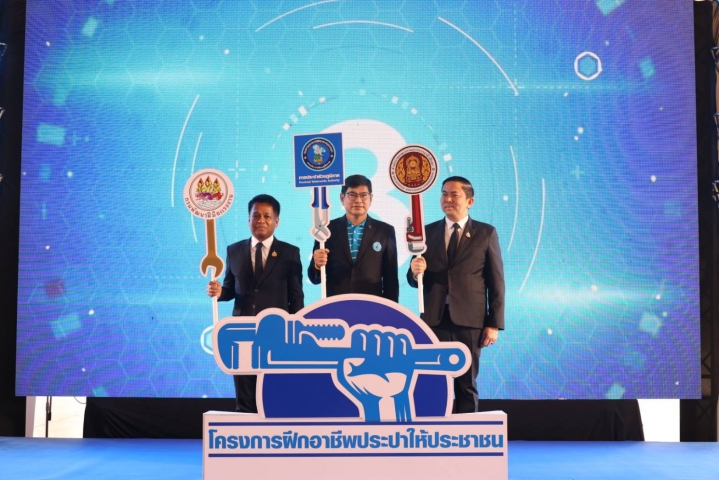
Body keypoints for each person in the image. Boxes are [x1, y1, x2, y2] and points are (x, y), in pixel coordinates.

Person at [408, 176, 505, 413]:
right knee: (432, 382)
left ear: (470, 201)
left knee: (466, 383)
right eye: (444, 194)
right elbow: (413, 280)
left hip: (470, 321)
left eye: (454, 194)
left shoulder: (485, 233)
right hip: (434, 319)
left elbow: (496, 281)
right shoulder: (425, 233)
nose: (448, 199)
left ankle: (467, 432)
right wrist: (414, 272)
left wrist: (493, 323)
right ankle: (433, 431)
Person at [207, 194, 304, 413]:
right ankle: (245, 428)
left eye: (267, 216)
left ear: (276, 221)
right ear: (248, 219)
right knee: (245, 395)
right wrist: (219, 292)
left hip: (276, 334)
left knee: (274, 392)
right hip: (241, 333)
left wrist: (297, 331)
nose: (261, 220)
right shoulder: (233, 250)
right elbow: (229, 289)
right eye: (256, 215)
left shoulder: (290, 253)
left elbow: (296, 297)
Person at [308, 174, 399, 302]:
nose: (358, 200)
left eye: (363, 195)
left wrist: (391, 310)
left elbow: (391, 279)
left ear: (371, 198)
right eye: (352, 195)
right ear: (342, 198)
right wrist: (317, 265)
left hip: (372, 305)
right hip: (336, 304)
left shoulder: (385, 231)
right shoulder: (325, 229)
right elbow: (314, 278)